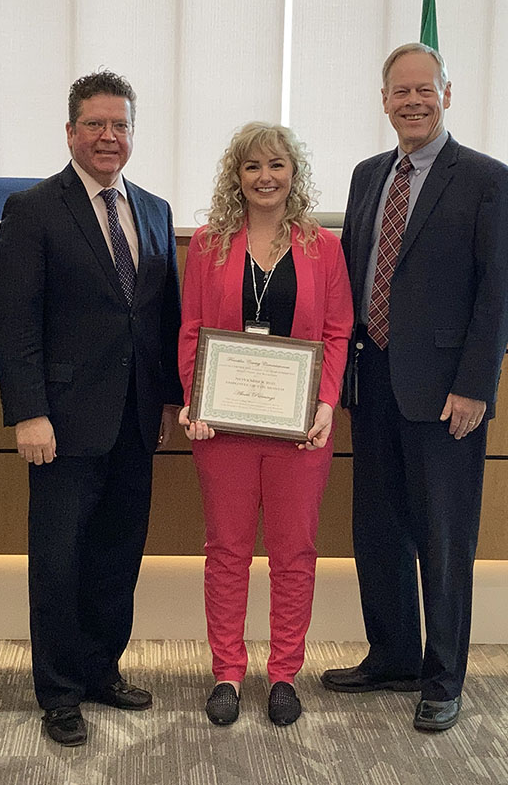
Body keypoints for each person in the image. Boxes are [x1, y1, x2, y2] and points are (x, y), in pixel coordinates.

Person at [322, 43, 508, 732]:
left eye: (424, 89)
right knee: (376, 529)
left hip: (445, 394)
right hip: (370, 380)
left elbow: (498, 293)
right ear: (383, 100)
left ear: (447, 93)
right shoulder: (367, 175)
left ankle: (442, 677)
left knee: (443, 538)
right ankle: (392, 656)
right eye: (399, 91)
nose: (412, 101)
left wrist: (476, 387)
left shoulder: (487, 179)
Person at [0, 70, 182, 747]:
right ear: (70, 131)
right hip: (63, 422)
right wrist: (29, 413)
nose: (108, 136)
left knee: (117, 553)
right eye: (95, 124)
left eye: (120, 125)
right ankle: (60, 692)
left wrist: (168, 401)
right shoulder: (34, 209)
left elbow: (163, 318)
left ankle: (102, 670)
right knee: (59, 558)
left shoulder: (154, 210)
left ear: (133, 132)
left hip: (135, 419)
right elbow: (14, 322)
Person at [178, 122, 353, 726]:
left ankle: (284, 673)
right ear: (237, 177)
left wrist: (325, 403)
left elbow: (336, 333)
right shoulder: (208, 244)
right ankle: (227, 671)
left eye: (276, 165)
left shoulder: (323, 247)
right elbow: (193, 332)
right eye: (252, 167)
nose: (265, 177)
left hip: (300, 430)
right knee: (225, 550)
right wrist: (195, 399)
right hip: (223, 429)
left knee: (294, 552)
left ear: (293, 174)